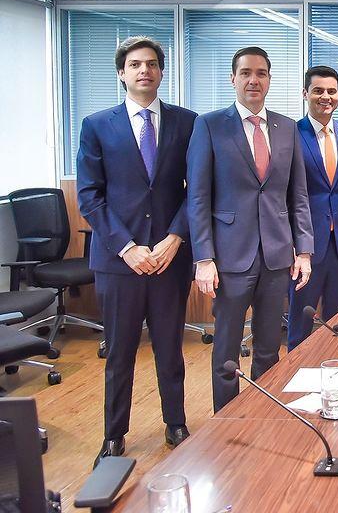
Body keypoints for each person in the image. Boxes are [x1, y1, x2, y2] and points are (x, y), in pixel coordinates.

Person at [76, 37, 197, 466]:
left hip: (168, 258)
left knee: (170, 348)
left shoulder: (186, 123)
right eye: (134, 64)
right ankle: (114, 435)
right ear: (121, 73)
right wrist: (126, 247)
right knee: (119, 352)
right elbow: (90, 196)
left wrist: (175, 238)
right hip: (118, 260)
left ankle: (176, 422)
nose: (144, 70)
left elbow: (197, 189)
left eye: (151, 64)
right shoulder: (97, 125)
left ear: (161, 72)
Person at [187, 46, 314, 412]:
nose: (253, 80)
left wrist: (304, 250)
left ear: (270, 80)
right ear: (233, 79)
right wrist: (204, 258)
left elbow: (298, 195)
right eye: (245, 73)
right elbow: (198, 197)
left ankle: (263, 418)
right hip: (229, 257)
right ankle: (226, 422)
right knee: (227, 352)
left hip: (276, 256)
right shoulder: (209, 125)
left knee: (269, 349)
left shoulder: (287, 128)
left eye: (261, 73)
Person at [286, 66, 338, 350]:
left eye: (332, 91)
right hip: (304, 246)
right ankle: (295, 372)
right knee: (300, 324)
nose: (325, 97)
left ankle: (336, 370)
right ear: (305, 93)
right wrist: (292, 243)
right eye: (318, 91)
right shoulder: (290, 133)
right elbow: (283, 193)